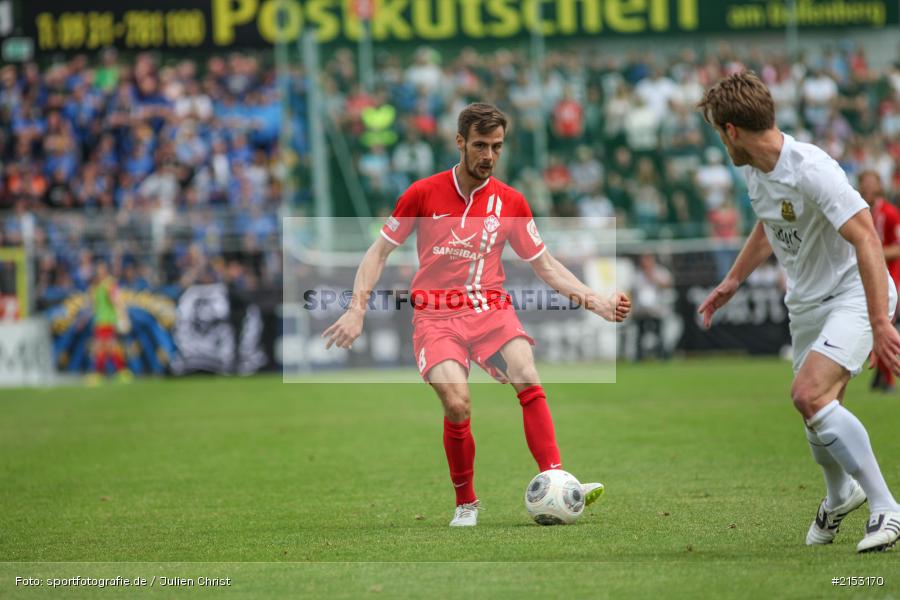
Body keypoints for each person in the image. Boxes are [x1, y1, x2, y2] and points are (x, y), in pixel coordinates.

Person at [323, 103, 631, 527]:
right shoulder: (422, 194)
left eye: (497, 147)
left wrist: (596, 301)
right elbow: (378, 253)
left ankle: (557, 479)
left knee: (526, 371)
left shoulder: (511, 202)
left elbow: (545, 265)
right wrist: (356, 310)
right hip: (435, 316)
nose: (489, 155)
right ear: (460, 142)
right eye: (481, 145)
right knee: (457, 403)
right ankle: (466, 502)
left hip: (490, 308)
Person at [697, 72, 900, 553]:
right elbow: (768, 225)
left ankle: (886, 508)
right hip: (806, 304)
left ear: (732, 131)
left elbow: (866, 237)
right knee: (818, 412)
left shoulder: (812, 169)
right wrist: (733, 280)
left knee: (808, 395)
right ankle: (839, 495)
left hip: (852, 294)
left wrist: (879, 321)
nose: (721, 143)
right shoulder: (755, 170)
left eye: (718, 133)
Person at [859, 170, 900, 393]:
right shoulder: (858, 211)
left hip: (891, 278)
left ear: (879, 186)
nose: (867, 187)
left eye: (871, 183)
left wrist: (872, 253)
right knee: (872, 324)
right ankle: (881, 374)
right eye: (864, 183)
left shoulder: (890, 213)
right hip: (869, 276)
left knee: (884, 324)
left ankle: (888, 379)